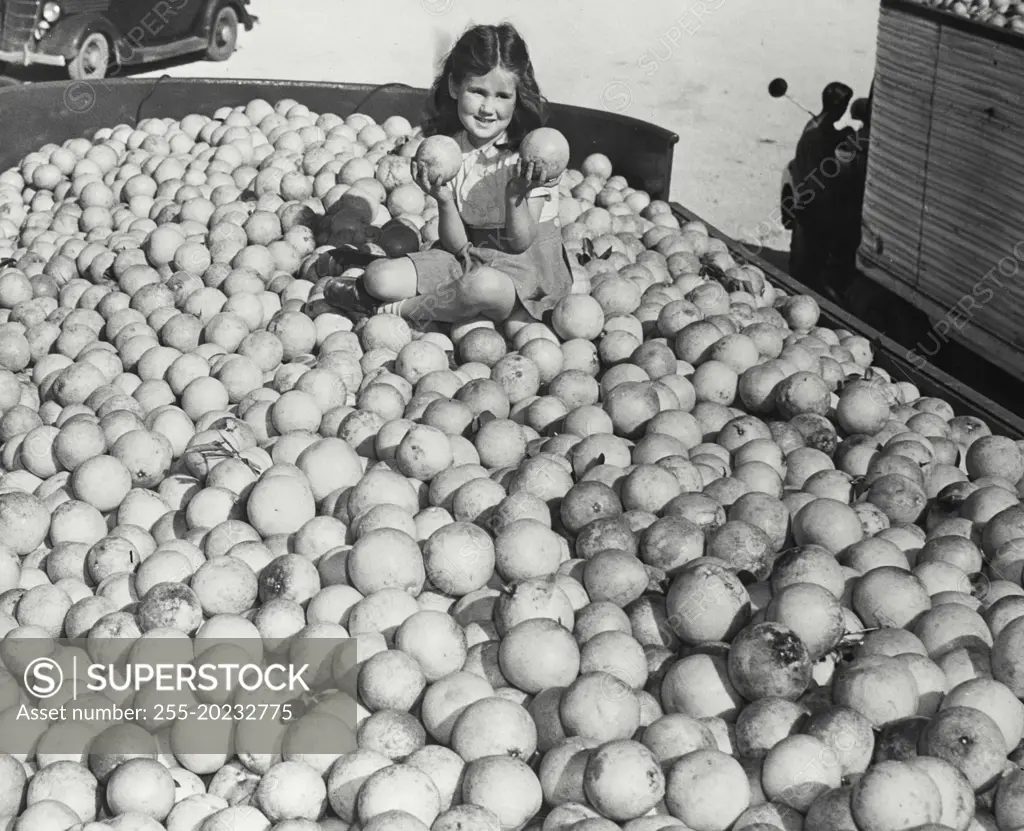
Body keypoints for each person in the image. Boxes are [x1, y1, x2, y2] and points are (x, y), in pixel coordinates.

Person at [324, 23, 577, 324]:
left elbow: (520, 243)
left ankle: (393, 310)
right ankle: (414, 294)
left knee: (480, 287)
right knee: (379, 279)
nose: (487, 107)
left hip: (524, 273)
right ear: (455, 87)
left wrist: (514, 198)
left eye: (502, 96)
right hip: (470, 258)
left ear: (517, 95)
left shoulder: (532, 155)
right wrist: (444, 201)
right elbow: (458, 247)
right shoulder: (449, 152)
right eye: (478, 92)